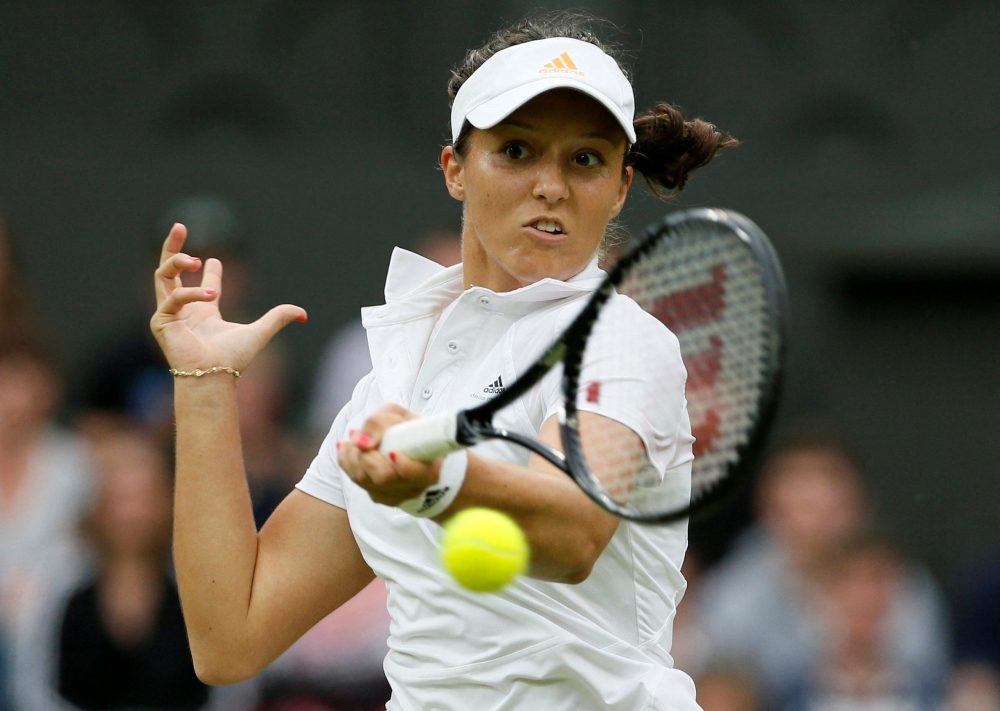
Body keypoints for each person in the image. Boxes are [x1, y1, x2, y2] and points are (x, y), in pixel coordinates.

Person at [149, 12, 735, 709]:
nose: (550, 184)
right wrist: (203, 381)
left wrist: (438, 480)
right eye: (516, 151)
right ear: (455, 169)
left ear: (619, 186)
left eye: (584, 159)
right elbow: (230, 636)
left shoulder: (616, 336)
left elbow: (574, 527)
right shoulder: (394, 379)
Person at [693, 434, 948, 709]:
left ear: (857, 499)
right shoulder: (735, 590)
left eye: (826, 485)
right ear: (767, 500)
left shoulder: (905, 583)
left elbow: (928, 680)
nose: (813, 502)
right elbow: (715, 688)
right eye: (799, 488)